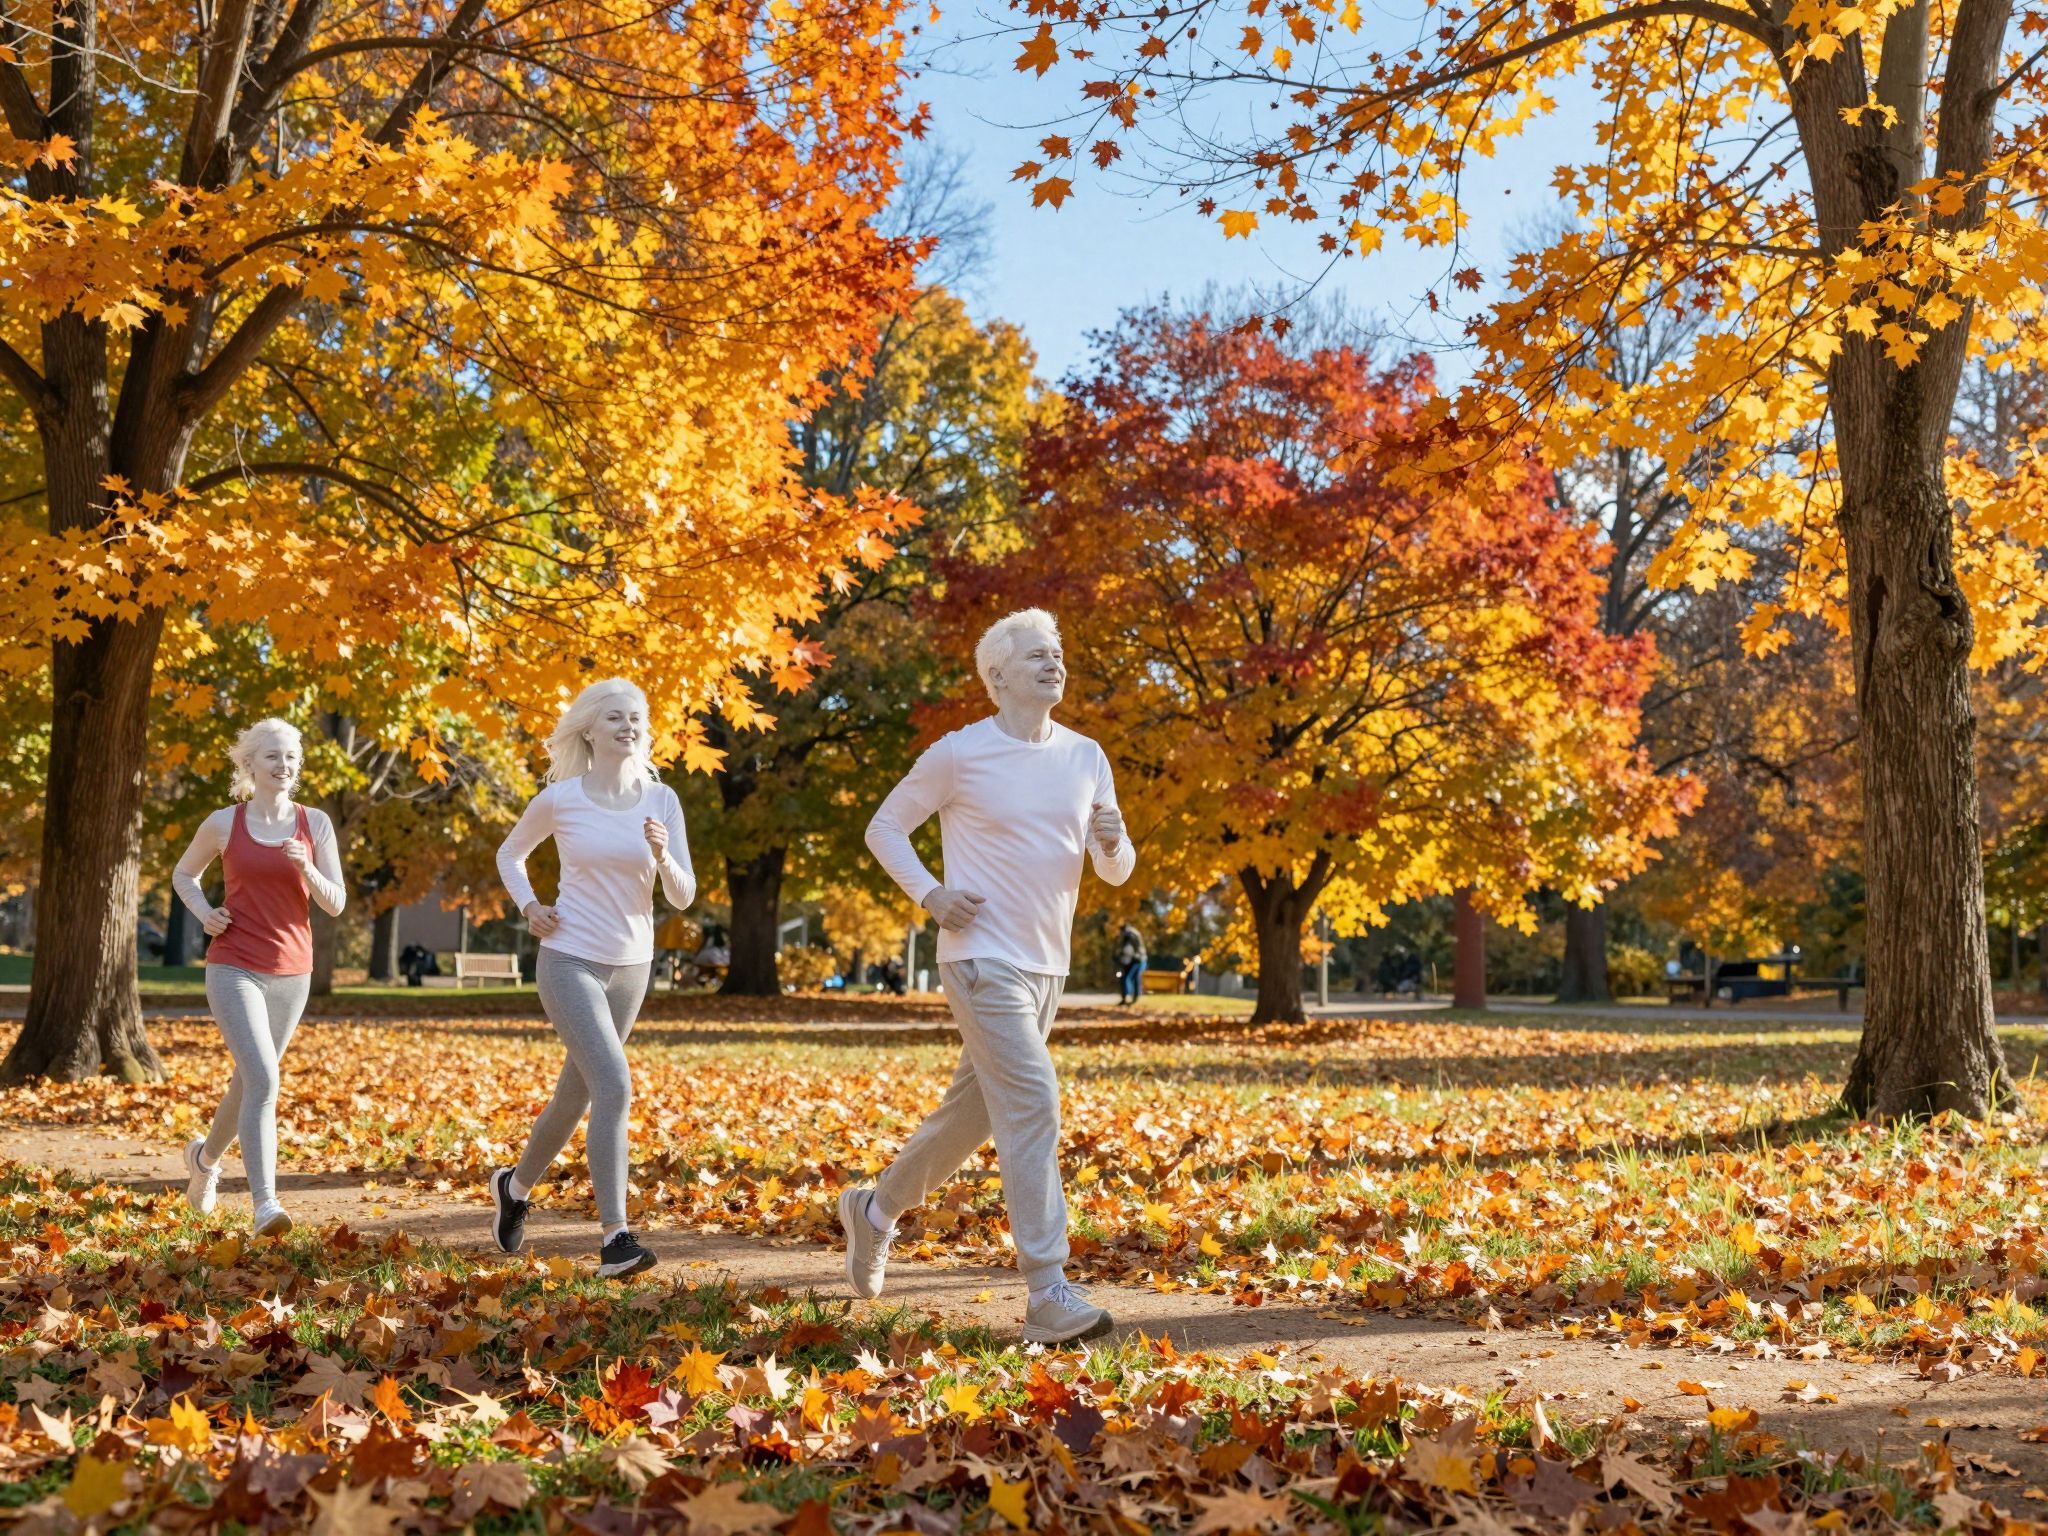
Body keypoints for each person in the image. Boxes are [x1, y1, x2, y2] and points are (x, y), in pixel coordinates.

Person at [842, 608, 1135, 1344]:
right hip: (980, 957)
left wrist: (1113, 843)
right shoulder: (959, 753)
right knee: (1033, 1097)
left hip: (1047, 967)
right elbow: (884, 827)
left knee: (971, 1116)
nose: (1054, 662)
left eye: (1058, 652)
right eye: (1037, 654)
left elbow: (1115, 870)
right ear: (997, 675)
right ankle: (1047, 1290)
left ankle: (875, 1210)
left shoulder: (1086, 755)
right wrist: (931, 895)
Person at [487, 678, 695, 1279]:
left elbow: (683, 896)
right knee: (614, 1085)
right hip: (569, 957)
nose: (628, 726)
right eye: (615, 718)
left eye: (636, 718)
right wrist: (530, 907)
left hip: (632, 966)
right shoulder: (561, 799)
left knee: (576, 1094)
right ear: (589, 730)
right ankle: (615, 1239)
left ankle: (514, 1187)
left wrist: (663, 855)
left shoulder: (662, 800)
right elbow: (509, 855)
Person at [172, 719, 348, 1235]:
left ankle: (203, 1160)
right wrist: (205, 913)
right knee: (265, 1079)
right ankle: (265, 1205)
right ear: (249, 763)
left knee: (249, 1081)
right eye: (272, 756)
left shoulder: (315, 823)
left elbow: (336, 903)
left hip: (293, 972)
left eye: (291, 756)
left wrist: (307, 868)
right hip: (234, 964)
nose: (283, 765)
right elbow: (184, 874)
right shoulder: (224, 823)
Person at [1114, 916, 1148, 1006]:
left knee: (1127, 978)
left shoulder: (1128, 934)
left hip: (1135, 959)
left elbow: (1128, 948)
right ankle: (1132, 998)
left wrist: (1121, 958)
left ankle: (1128, 997)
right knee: (1134, 978)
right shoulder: (1133, 932)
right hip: (1138, 958)